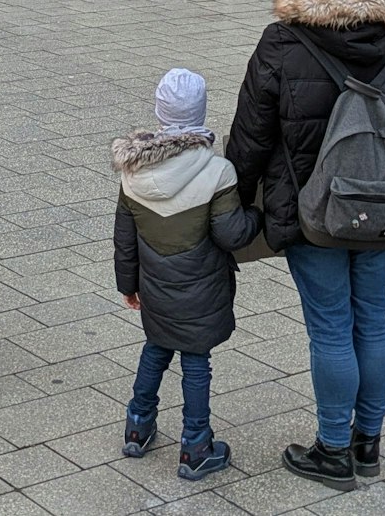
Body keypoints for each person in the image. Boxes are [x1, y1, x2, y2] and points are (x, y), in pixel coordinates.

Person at [226, 0, 385, 489]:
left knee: (330, 326)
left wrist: (235, 202)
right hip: (380, 202)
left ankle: (331, 449)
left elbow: (249, 135)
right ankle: (367, 444)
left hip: (308, 208)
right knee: (373, 317)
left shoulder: (283, 39)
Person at [115, 69, 257, 481]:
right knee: (196, 363)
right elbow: (231, 234)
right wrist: (256, 217)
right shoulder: (217, 172)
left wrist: (128, 284)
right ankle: (196, 445)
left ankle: (138, 425)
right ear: (201, 111)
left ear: (160, 112)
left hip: (155, 288)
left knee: (155, 349)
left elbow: (124, 238)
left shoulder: (133, 172)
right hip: (202, 289)